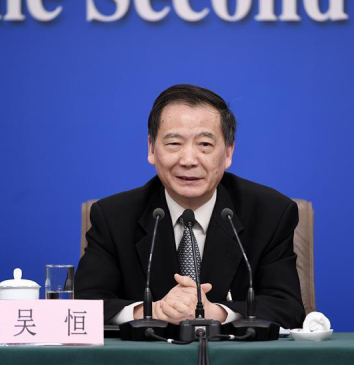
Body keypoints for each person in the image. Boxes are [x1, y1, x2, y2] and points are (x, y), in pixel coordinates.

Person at [75, 84, 305, 329]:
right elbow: (83, 304)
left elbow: (288, 308)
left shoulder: (270, 213)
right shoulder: (113, 217)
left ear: (228, 152)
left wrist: (216, 313)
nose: (188, 160)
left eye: (204, 144)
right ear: (151, 149)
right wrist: (152, 311)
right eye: (174, 143)